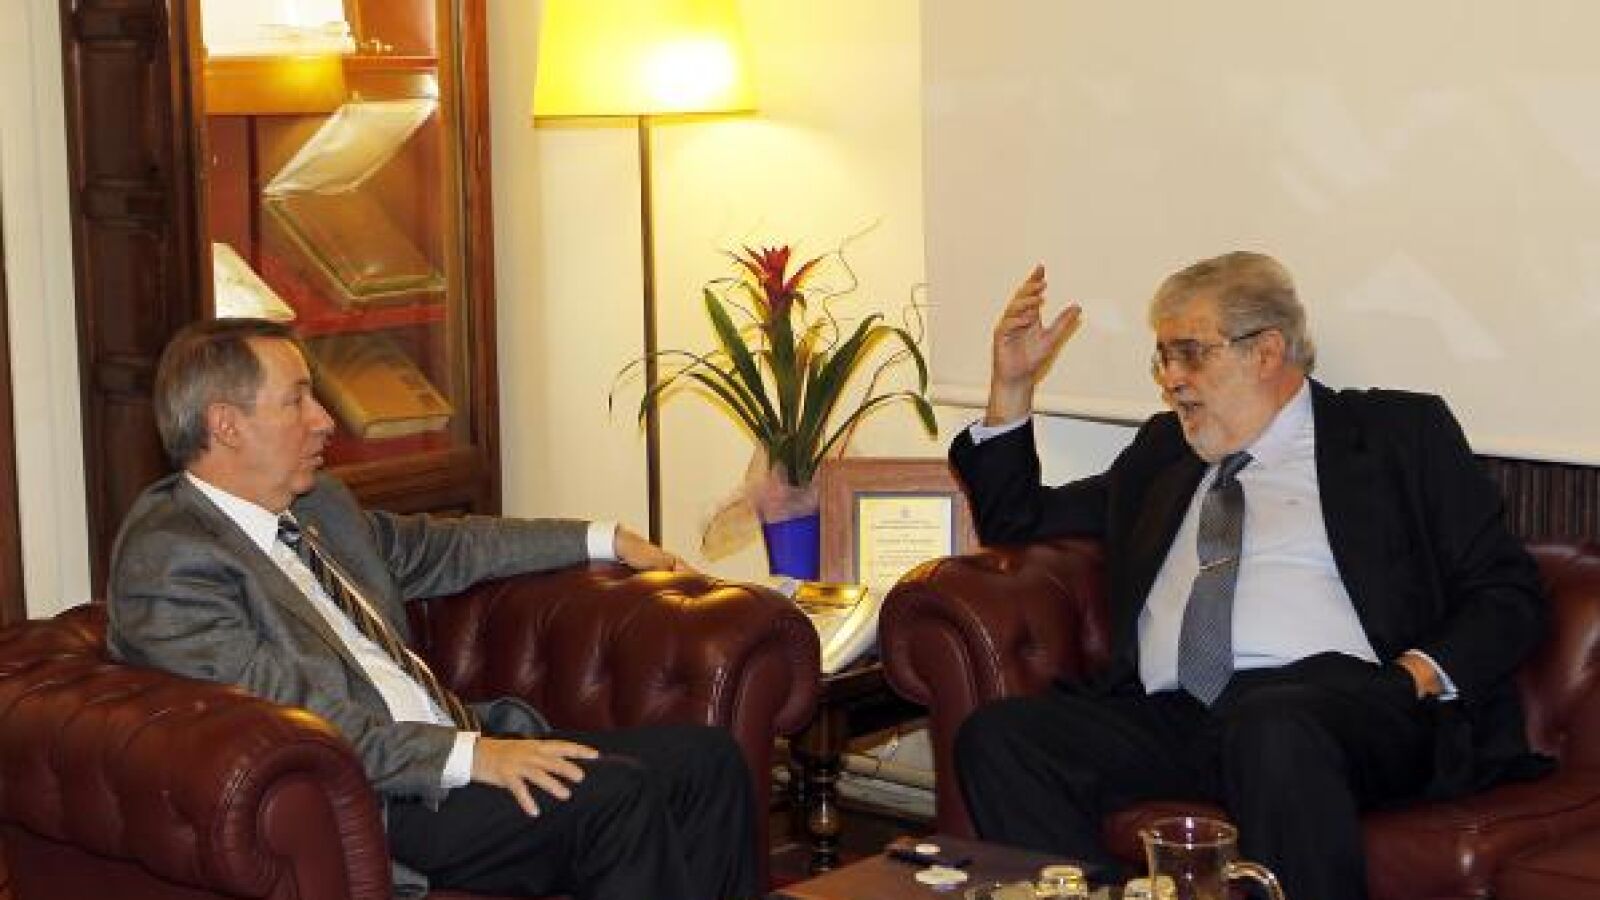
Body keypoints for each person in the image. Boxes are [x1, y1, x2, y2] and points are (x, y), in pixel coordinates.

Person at [951, 252, 1549, 900]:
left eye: (1189, 354)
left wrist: (1412, 678)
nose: (1171, 380)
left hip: (1340, 706)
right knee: (1001, 737)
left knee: (1273, 726)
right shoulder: (1163, 454)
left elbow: (1506, 591)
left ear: (1266, 352)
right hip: (1179, 713)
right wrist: (1012, 386)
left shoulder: (1396, 435)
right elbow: (1018, 518)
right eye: (1162, 358)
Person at [107, 318, 757, 900]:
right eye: (297, 399)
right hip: (382, 795)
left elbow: (444, 547)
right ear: (226, 424)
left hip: (455, 747)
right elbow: (293, 723)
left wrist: (605, 539)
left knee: (706, 761)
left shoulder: (316, 504)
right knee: (616, 801)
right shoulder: (171, 559)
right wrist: (474, 758)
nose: (325, 419)